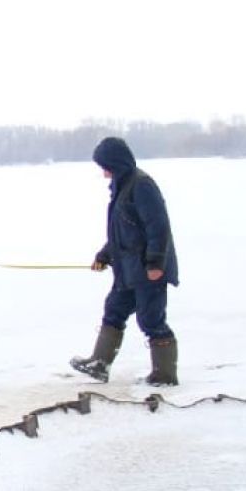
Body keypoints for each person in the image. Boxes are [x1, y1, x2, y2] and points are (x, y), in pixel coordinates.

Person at [70, 137, 180, 386]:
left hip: (147, 269)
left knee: (151, 319)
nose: (103, 172)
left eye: (105, 165)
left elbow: (158, 227)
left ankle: (164, 375)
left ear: (116, 162)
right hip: (128, 270)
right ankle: (99, 364)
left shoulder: (142, 186)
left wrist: (155, 263)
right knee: (114, 310)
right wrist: (104, 255)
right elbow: (123, 232)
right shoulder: (122, 186)